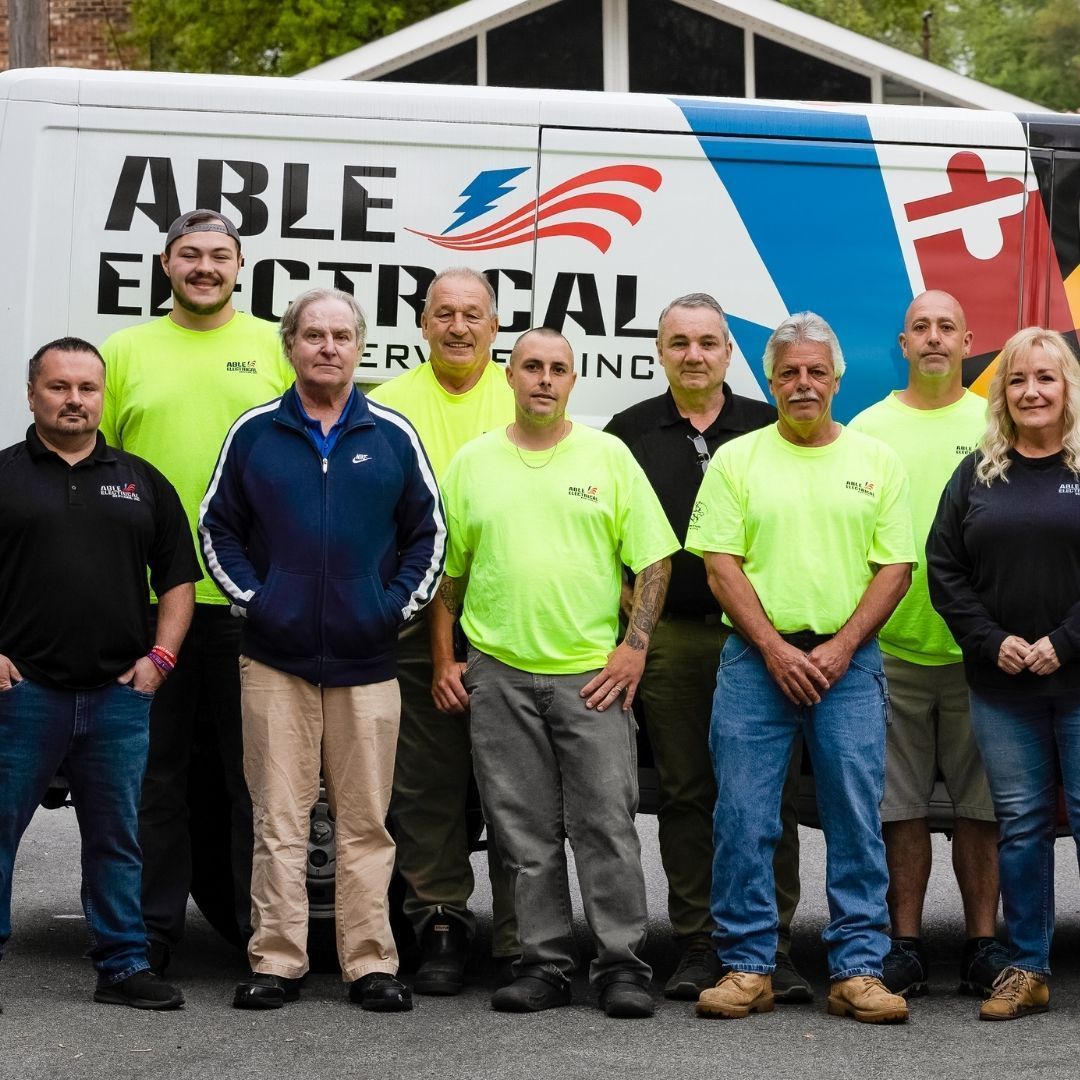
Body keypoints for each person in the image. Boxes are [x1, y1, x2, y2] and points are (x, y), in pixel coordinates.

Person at [200, 288, 445, 1012]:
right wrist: (261, 600)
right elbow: (218, 530)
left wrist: (388, 608)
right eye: (314, 335)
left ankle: (370, 963)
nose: (328, 347)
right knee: (279, 818)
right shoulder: (254, 433)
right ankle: (277, 961)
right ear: (290, 345)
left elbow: (428, 536)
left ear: (359, 346)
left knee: (366, 821)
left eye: (341, 335)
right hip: (275, 661)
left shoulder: (391, 434)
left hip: (368, 663)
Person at [432, 327, 678, 1018]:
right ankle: (542, 964)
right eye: (531, 366)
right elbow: (450, 576)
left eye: (558, 369)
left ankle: (622, 965)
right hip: (499, 672)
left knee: (605, 824)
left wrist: (634, 647)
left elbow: (654, 559)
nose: (544, 378)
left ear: (574, 381)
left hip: (589, 677)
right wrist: (447, 658)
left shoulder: (608, 456)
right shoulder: (473, 464)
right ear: (508, 376)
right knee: (523, 831)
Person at [686, 312, 915, 1025]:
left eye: (817, 371)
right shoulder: (737, 460)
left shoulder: (877, 461)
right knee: (745, 818)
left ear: (837, 380)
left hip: (849, 664)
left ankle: (857, 969)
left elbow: (895, 568)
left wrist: (842, 647)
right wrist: (775, 649)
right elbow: (721, 567)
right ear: (772, 380)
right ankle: (748, 965)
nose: (803, 383)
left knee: (854, 818)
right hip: (757, 663)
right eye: (789, 372)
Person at [100, 209, 295, 974]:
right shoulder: (124, 351)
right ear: (166, 265)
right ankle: (151, 934)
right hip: (150, 607)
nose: (205, 266)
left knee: (260, 786)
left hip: (255, 604)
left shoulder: (272, 350)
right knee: (156, 779)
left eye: (219, 255)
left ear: (240, 268)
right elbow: (99, 467)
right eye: (190, 255)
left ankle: (262, 936)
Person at [605, 293, 808, 1002]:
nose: (694, 355)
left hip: (759, 638)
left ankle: (771, 943)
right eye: (680, 342)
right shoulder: (628, 432)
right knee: (689, 792)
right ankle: (697, 941)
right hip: (675, 638)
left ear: (729, 353)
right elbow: (607, 537)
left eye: (709, 343)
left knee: (765, 796)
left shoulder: (767, 424)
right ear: (660, 351)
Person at [0, 338, 198, 1011]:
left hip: (117, 697)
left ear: (102, 395)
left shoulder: (141, 480)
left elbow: (178, 578)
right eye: (59, 387)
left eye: (87, 388)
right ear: (33, 394)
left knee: (118, 838)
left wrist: (161, 658)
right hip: (24, 695)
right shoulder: (4, 476)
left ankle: (122, 965)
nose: (75, 400)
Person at [850, 290, 1004, 998]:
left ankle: (982, 945)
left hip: (979, 655)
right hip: (892, 652)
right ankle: (903, 944)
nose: (935, 338)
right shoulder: (868, 428)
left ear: (969, 339)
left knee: (982, 809)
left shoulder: (995, 423)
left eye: (947, 325)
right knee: (899, 807)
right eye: (921, 327)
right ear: (902, 344)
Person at [367, 267, 517, 992]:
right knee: (425, 782)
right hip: (412, 619)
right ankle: (440, 922)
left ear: (496, 326)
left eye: (473, 314)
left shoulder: (522, 398)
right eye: (444, 313)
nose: (458, 326)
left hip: (511, 621)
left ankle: (524, 935)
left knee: (515, 784)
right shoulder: (387, 407)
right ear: (422, 324)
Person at [927, 327, 1080, 1021]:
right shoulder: (976, 475)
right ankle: (1027, 968)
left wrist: (1064, 641)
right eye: (1018, 380)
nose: (1032, 392)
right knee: (1020, 826)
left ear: (1067, 387)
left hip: (1077, 680)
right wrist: (991, 642)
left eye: (1046, 378)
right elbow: (945, 568)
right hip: (1002, 687)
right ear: (1003, 393)